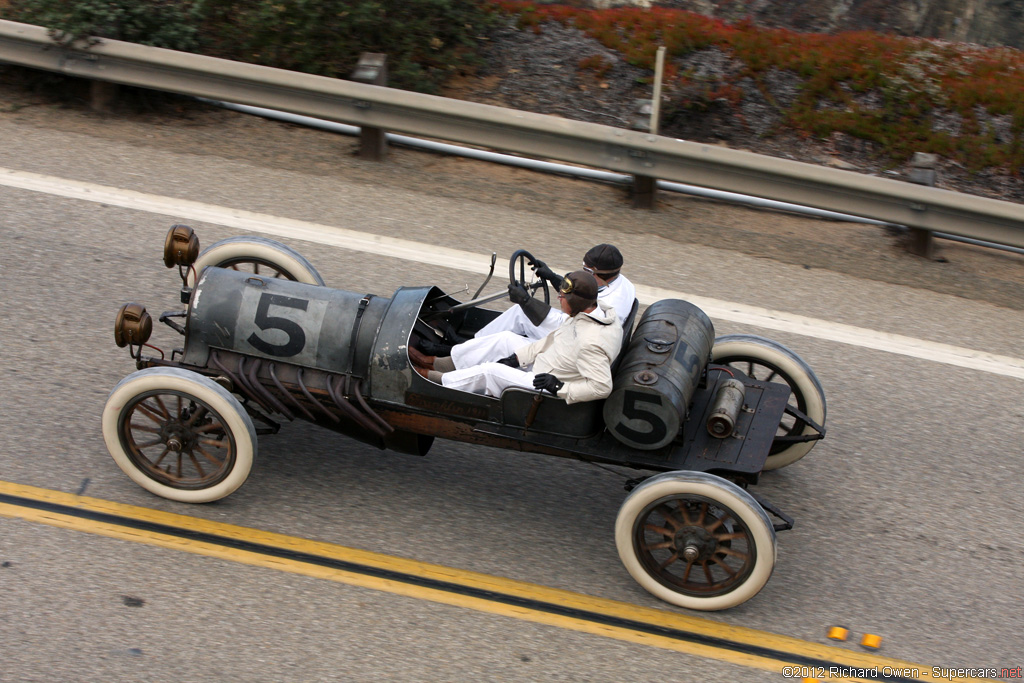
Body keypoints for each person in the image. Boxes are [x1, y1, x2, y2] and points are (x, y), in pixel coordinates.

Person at [412, 271, 621, 405]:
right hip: (549, 363)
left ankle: (433, 380)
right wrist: (516, 358)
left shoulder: (590, 341)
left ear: (575, 302)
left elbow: (601, 386)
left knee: (490, 372)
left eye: (563, 297)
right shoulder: (591, 312)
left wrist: (559, 387)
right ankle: (438, 362)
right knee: (504, 338)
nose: (559, 299)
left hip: (544, 385)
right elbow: (551, 341)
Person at [421, 244, 635, 371]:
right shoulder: (619, 281)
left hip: (575, 345)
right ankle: (469, 345)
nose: (583, 273)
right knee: (519, 313)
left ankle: (454, 355)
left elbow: (569, 323)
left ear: (601, 274)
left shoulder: (612, 302)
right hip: (579, 333)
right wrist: (553, 278)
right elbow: (580, 294)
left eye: (587, 271)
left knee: (510, 333)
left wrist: (526, 301)